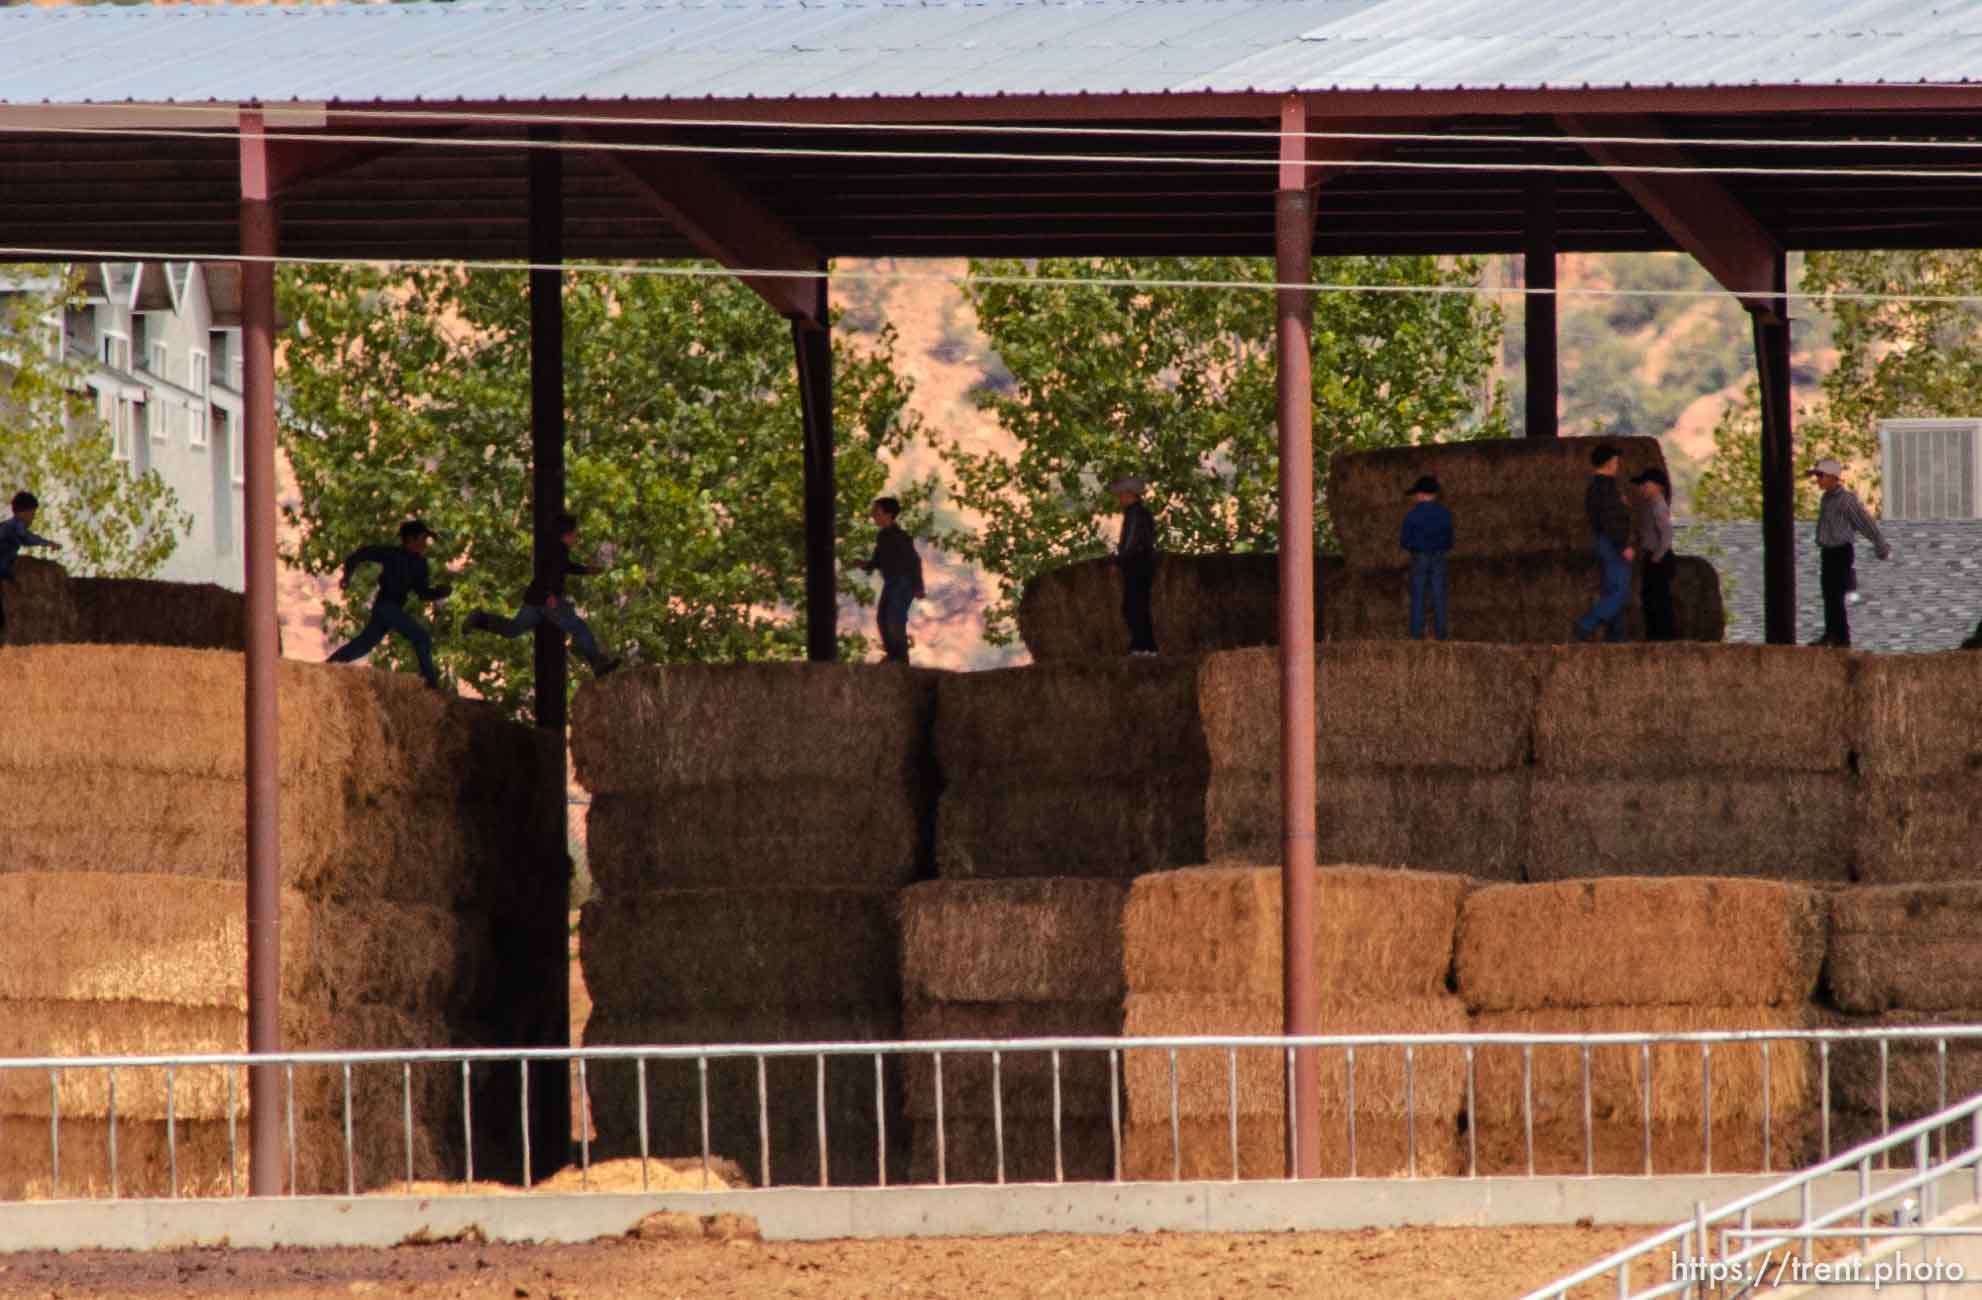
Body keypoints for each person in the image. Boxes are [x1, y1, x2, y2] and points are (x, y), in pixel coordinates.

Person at [464, 512, 621, 678]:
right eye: (575, 532)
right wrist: (549, 595)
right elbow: (550, 573)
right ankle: (598, 664)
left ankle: (481, 619)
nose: (576, 535)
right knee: (578, 628)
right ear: (568, 533)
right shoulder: (559, 549)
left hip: (536, 598)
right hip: (547, 600)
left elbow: (561, 567)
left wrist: (585, 570)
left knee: (514, 628)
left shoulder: (555, 547)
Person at [326, 519, 452, 688]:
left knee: (364, 644)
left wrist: (439, 592)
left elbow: (422, 593)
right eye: (422, 539)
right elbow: (360, 554)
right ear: (410, 540)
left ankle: (328, 666)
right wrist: (347, 576)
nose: (425, 544)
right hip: (385, 606)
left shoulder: (421, 565)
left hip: (391, 609)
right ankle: (431, 684)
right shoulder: (391, 553)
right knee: (421, 637)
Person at [1807, 458, 1890, 648]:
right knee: (1828, 594)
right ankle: (1831, 633)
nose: (1817, 480)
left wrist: (1880, 543)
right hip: (1827, 552)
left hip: (1840, 552)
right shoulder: (1825, 499)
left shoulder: (1846, 500)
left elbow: (1864, 522)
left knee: (1836, 593)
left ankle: (1841, 637)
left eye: (1820, 476)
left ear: (1832, 477)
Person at [1573, 444, 1635, 643]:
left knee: (1611, 590)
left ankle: (1615, 640)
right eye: (1616, 461)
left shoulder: (1595, 488)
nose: (1618, 465)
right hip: (1613, 543)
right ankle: (1587, 623)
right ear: (1609, 463)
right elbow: (1611, 520)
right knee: (1620, 592)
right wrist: (1623, 545)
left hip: (1603, 542)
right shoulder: (1607, 489)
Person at [856, 496, 923, 663]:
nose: (873, 515)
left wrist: (918, 586)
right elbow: (878, 560)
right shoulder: (882, 536)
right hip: (892, 582)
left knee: (894, 618)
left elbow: (914, 561)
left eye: (877, 512)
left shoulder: (901, 536)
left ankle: (899, 659)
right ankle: (894, 656)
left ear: (888, 514)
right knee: (882, 618)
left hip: (903, 583)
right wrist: (866, 564)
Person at [0, 490, 63, 640]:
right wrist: (47, 543)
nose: (32, 519)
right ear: (25, 512)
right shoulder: (16, 525)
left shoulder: (7, 526)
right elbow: (26, 537)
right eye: (32, 514)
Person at [1398, 475, 1454, 641]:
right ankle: (1441, 635)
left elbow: (1404, 540)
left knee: (1418, 596)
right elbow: (1450, 539)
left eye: (1416, 494)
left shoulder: (1412, 515)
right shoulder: (1445, 514)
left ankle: (1416, 635)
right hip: (1439, 557)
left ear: (1421, 494)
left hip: (1419, 557)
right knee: (1439, 595)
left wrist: (1414, 547)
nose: (1415, 497)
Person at [1111, 475, 1158, 656]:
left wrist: (1119, 562)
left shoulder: (1135, 514)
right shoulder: (1140, 513)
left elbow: (1130, 542)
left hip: (1137, 565)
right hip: (1142, 564)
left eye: (1121, 494)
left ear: (1130, 494)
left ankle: (1142, 646)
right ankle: (1145, 646)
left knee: (1133, 607)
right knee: (1138, 606)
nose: (1119, 498)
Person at [1631, 468, 1678, 642]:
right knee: (1653, 599)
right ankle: (1658, 637)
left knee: (1657, 600)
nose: (1642, 488)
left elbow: (1667, 534)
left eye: (1646, 484)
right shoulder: (1651, 505)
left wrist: (1656, 557)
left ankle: (1662, 637)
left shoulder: (1658, 505)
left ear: (1658, 487)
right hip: (1655, 556)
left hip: (1658, 558)